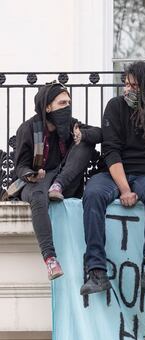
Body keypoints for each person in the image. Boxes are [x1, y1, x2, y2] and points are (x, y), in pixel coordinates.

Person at [80, 62, 145, 296]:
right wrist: (125, 190)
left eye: (134, 85)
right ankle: (96, 270)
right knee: (93, 193)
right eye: (125, 84)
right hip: (114, 173)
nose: (127, 90)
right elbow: (111, 150)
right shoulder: (115, 107)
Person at [13, 81, 102, 280]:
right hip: (35, 183)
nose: (67, 107)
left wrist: (82, 134)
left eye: (69, 103)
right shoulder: (27, 129)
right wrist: (32, 175)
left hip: (63, 182)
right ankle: (50, 259)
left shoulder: (71, 125)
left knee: (86, 143)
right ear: (48, 107)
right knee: (37, 196)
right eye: (62, 103)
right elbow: (20, 167)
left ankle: (58, 184)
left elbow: (99, 133)